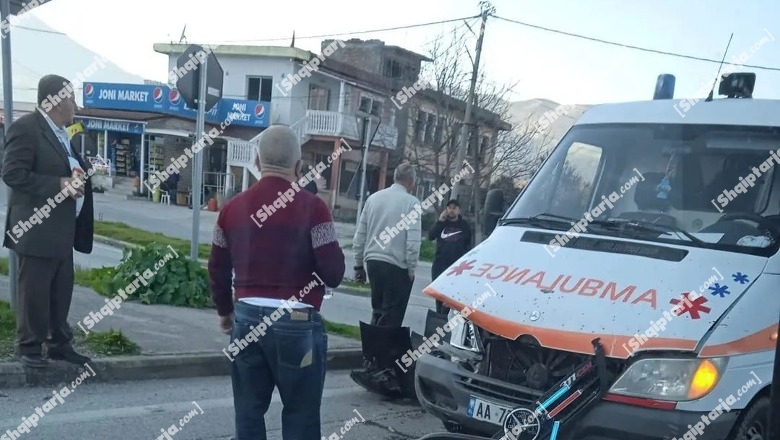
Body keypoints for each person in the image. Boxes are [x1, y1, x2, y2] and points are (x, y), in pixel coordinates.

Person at [208, 124, 345, 440]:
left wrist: (225, 311)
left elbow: (216, 267)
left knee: (248, 413)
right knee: (300, 415)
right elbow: (333, 273)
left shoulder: (231, 209)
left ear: (257, 162)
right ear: (299, 167)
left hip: (246, 320)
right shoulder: (314, 208)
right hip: (297, 322)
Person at [2, 74, 94, 368]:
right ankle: (29, 347)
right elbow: (12, 173)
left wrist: (80, 174)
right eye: (71, 98)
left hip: (62, 229)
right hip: (36, 228)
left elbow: (67, 169)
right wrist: (59, 184)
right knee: (35, 290)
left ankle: (58, 344)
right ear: (55, 100)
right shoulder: (26, 129)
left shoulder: (62, 134)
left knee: (60, 289)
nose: (75, 106)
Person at [352, 163, 421, 328]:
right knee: (391, 316)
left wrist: (358, 265)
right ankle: (384, 351)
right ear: (411, 181)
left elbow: (360, 235)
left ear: (395, 177)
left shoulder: (373, 199)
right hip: (397, 266)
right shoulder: (412, 203)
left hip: (374, 262)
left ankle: (370, 350)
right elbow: (413, 242)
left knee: (378, 311)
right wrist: (411, 269)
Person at [428, 199, 471, 313]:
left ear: (458, 210)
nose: (451, 210)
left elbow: (468, 245)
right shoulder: (442, 223)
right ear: (446, 210)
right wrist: (439, 221)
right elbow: (430, 236)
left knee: (451, 296)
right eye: (449, 208)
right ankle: (439, 317)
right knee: (439, 294)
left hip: (456, 267)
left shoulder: (464, 225)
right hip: (439, 264)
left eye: (454, 208)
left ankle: (447, 317)